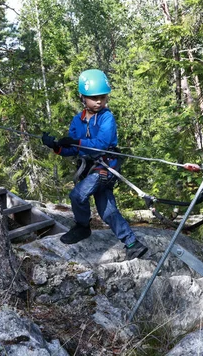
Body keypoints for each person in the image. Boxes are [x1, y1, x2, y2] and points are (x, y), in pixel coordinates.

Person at [42, 69, 148, 260]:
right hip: (91, 171)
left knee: (77, 195)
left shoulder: (107, 118)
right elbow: (72, 149)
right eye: (94, 97)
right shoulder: (78, 120)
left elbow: (101, 145)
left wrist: (77, 143)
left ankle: (82, 227)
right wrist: (57, 147)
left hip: (104, 169)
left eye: (102, 97)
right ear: (83, 97)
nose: (99, 101)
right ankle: (132, 243)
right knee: (108, 211)